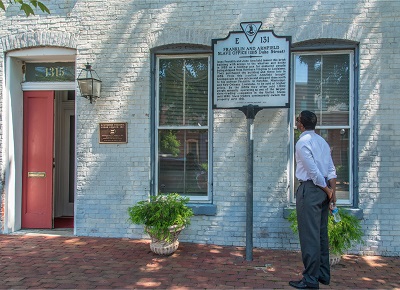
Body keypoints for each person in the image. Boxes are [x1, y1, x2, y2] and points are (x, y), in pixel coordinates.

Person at [289, 110, 337, 289]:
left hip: (311, 190)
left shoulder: (303, 142)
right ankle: (322, 274)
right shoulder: (322, 141)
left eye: (298, 119)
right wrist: (333, 192)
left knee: (310, 237)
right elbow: (331, 169)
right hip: (324, 191)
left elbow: (313, 172)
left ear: (301, 124)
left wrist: (327, 189)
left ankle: (310, 280)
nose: (296, 121)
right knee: (320, 235)